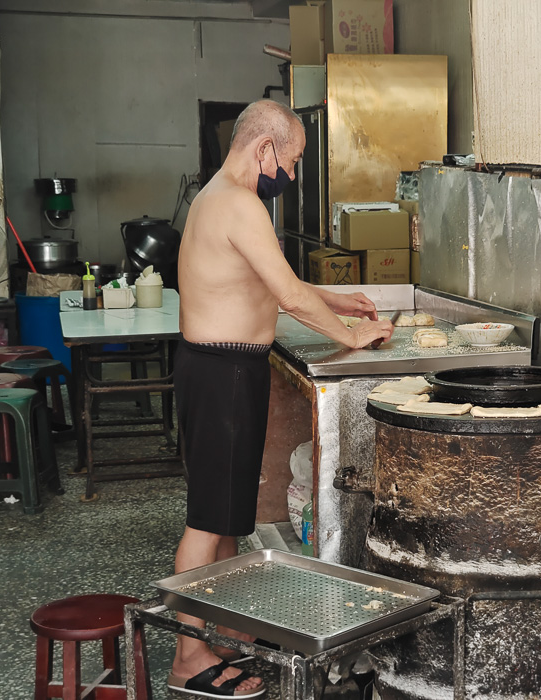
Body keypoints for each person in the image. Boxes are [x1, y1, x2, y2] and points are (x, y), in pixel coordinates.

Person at [167, 100, 394, 698]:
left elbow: (270, 282)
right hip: (222, 374)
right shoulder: (238, 203)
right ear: (263, 148)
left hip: (221, 369)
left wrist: (337, 300)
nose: (289, 176)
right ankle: (188, 658)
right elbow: (288, 296)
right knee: (207, 519)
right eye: (289, 161)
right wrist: (352, 337)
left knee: (225, 521)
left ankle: (206, 632)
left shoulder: (220, 195)